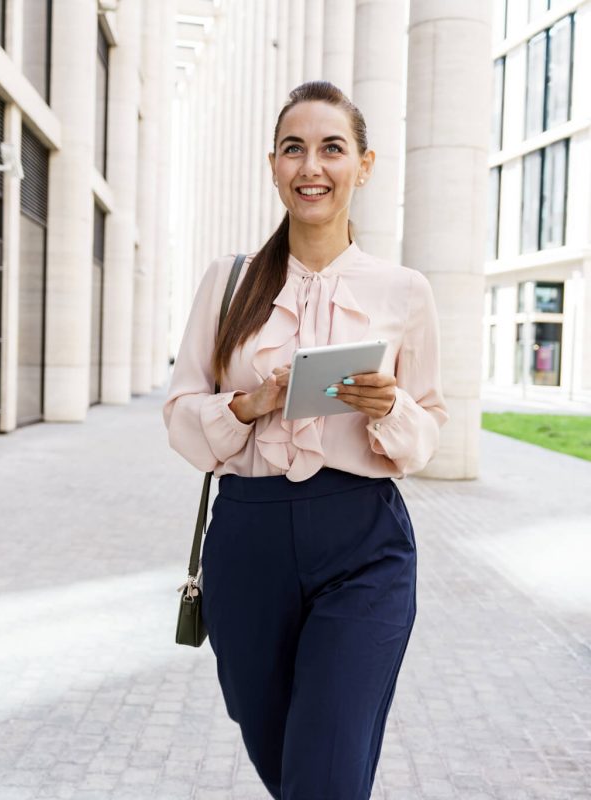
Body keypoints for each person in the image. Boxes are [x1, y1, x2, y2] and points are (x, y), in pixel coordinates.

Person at [163, 80, 449, 800]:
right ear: (273, 166)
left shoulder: (404, 290)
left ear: (365, 165)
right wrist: (251, 403)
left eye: (332, 148)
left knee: (325, 774)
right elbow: (180, 416)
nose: (311, 166)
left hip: (364, 542)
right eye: (293, 149)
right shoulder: (229, 283)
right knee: (283, 758)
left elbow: (426, 435)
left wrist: (389, 407)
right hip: (248, 541)